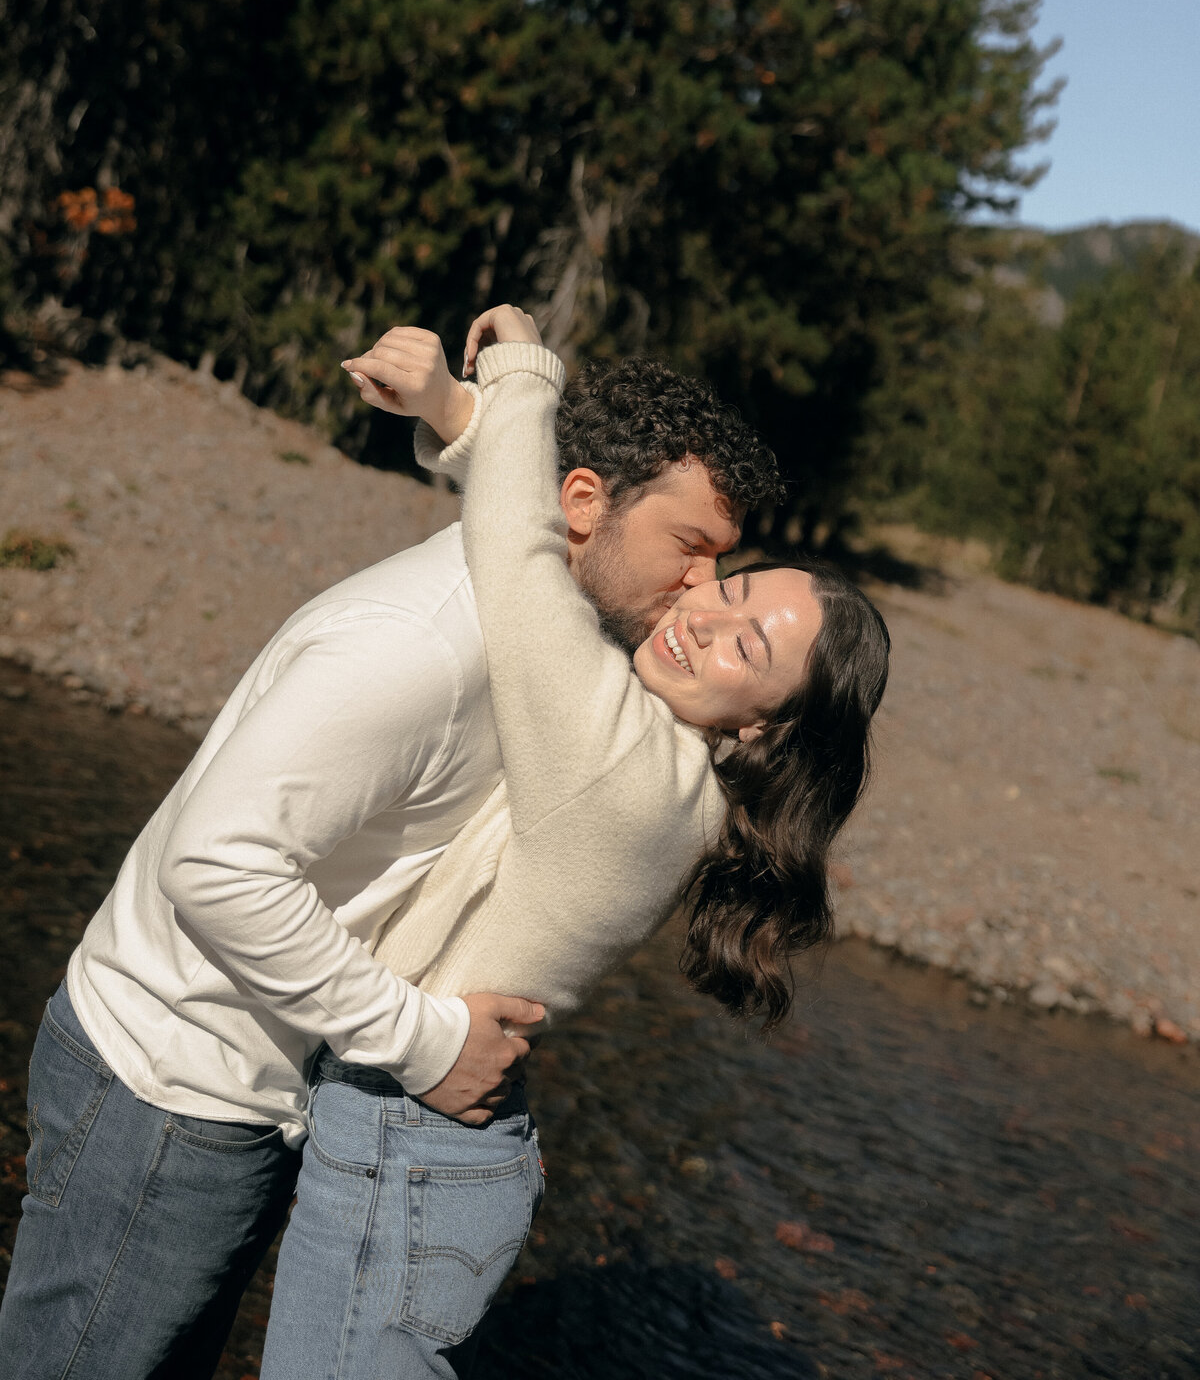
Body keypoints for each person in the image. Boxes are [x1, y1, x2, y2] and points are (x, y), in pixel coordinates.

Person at [0, 337, 781, 1380]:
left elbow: (512, 488)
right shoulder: (417, 648)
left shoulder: (553, 618)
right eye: (692, 546)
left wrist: (463, 411)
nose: (703, 585)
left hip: (246, 1083)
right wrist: (422, 1042)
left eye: (722, 562)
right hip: (170, 1086)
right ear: (584, 504)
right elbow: (216, 866)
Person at [257, 307, 890, 1379]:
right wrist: (453, 418)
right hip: (428, 1141)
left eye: (748, 648)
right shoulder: (660, 744)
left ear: (766, 727)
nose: (699, 613)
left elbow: (521, 557)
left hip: (407, 1146)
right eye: (727, 587)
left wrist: (522, 376)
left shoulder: (631, 777)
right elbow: (591, 557)